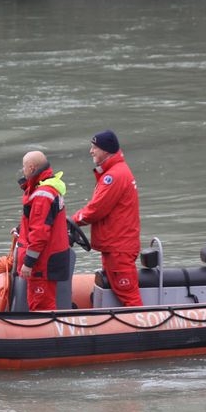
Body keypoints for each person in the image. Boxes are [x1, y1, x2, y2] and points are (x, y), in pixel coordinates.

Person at [72, 130, 143, 307]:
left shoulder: (114, 176)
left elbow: (96, 209)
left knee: (129, 297)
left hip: (119, 247)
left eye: (95, 147)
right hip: (116, 245)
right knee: (120, 292)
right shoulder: (116, 172)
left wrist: (73, 221)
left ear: (106, 150)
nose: (91, 151)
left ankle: (145, 330)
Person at [15, 151, 71, 311]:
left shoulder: (42, 195)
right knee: (42, 303)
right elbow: (40, 221)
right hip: (49, 258)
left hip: (42, 263)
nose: (23, 170)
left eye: (24, 167)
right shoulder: (48, 188)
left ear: (32, 167)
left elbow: (39, 234)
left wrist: (28, 263)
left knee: (41, 306)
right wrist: (21, 229)